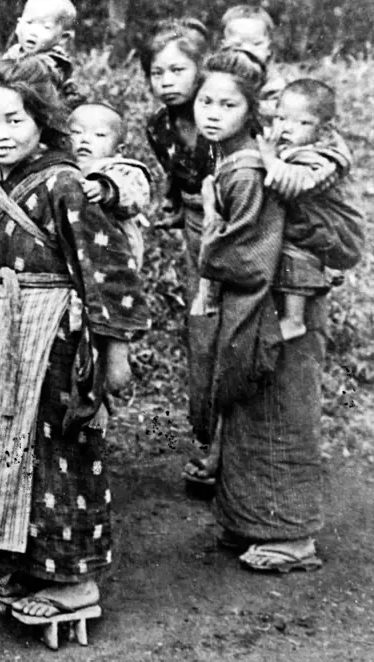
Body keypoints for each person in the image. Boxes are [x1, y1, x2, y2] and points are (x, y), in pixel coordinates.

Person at [0, 57, 148, 628]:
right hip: (5, 328)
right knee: (13, 451)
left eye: (14, 120)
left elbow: (108, 269)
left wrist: (115, 356)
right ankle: (35, 564)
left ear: (43, 121)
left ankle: (76, 582)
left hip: (57, 338)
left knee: (61, 450)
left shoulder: (68, 184)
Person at [194, 48, 330, 572]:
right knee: (250, 412)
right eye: (205, 101)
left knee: (278, 408)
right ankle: (254, 520)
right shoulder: (233, 160)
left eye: (227, 105)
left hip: (273, 303)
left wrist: (210, 233)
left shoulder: (249, 168)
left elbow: (250, 251)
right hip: (257, 301)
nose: (211, 113)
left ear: (251, 113)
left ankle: (292, 536)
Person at [141, 19, 218, 482]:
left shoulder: (223, 112)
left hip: (236, 225)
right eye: (157, 72)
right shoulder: (158, 125)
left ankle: (235, 447)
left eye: (177, 70)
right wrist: (173, 201)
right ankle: (207, 438)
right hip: (195, 227)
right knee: (201, 328)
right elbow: (177, 171)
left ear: (201, 69)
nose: (167, 82)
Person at [257, 79, 365, 340]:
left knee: (297, 254)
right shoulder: (297, 142)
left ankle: (294, 320)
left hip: (329, 227)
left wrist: (270, 159)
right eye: (281, 118)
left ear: (324, 129)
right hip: (307, 219)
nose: (287, 128)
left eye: (302, 122)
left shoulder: (325, 158)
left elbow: (299, 183)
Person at [68, 102, 151, 270]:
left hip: (113, 246)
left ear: (118, 150)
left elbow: (135, 191)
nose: (85, 139)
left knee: (113, 284)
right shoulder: (63, 165)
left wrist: (105, 189)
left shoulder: (119, 168)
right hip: (75, 243)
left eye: (99, 135)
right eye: (76, 132)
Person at [2, 0, 81, 104]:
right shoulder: (14, 52)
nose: (33, 32)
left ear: (63, 38)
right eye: (29, 22)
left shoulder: (52, 61)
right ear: (18, 26)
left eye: (46, 27)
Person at [220, 4, 287, 124]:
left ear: (269, 49)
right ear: (224, 46)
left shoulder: (273, 81)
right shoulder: (218, 74)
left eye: (256, 44)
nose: (248, 50)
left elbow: (279, 109)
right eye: (237, 45)